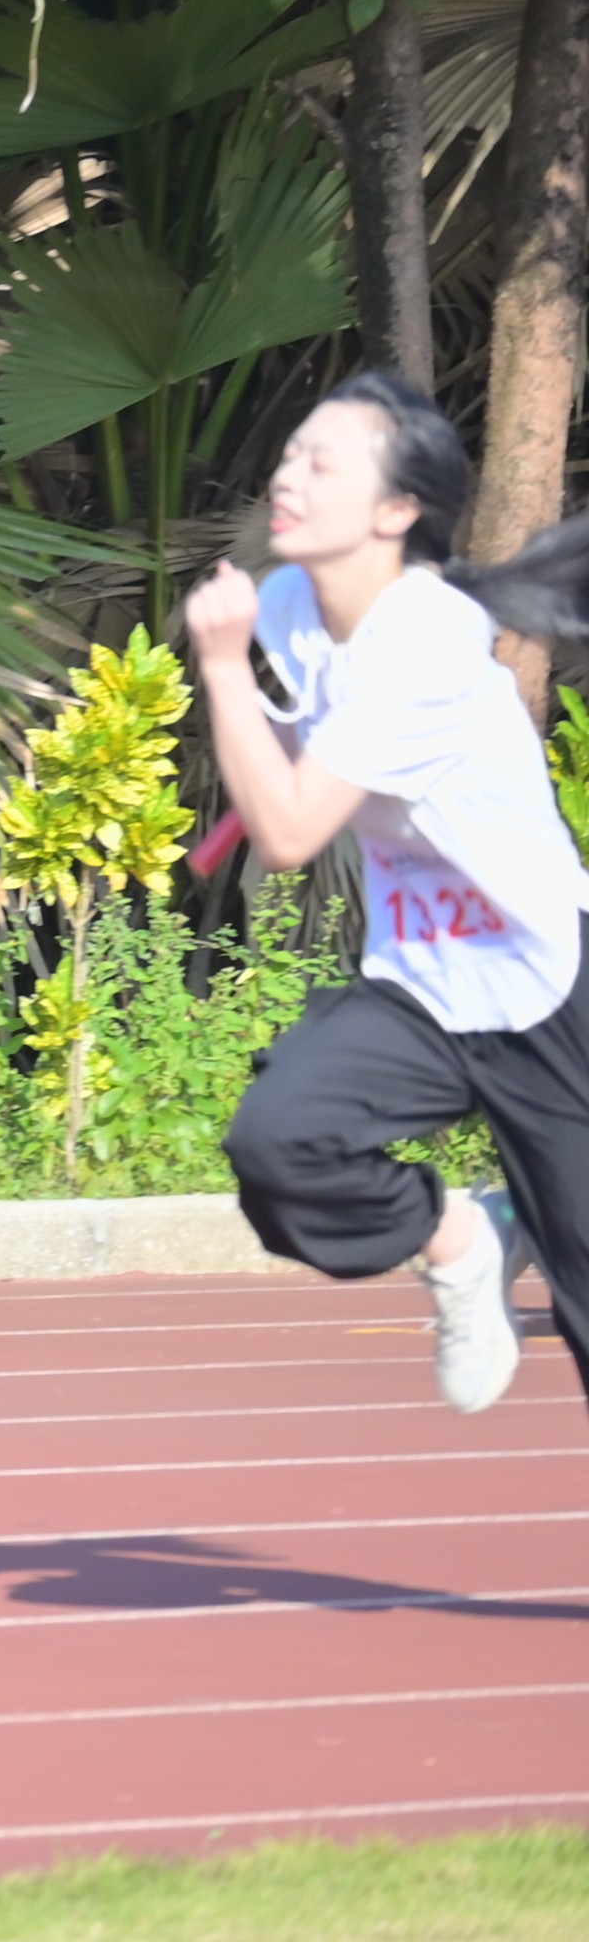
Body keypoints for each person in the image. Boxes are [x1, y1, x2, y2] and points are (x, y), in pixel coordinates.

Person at [191, 367, 580, 1417]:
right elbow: (304, 749)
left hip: (546, 982)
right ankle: (464, 1238)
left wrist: (223, 670)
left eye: (323, 463)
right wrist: (269, 722)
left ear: (397, 509)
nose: (289, 476)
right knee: (281, 1140)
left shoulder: (427, 644)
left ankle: (523, 1226)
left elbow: (287, 833)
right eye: (291, 454)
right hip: (420, 982)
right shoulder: (290, 603)